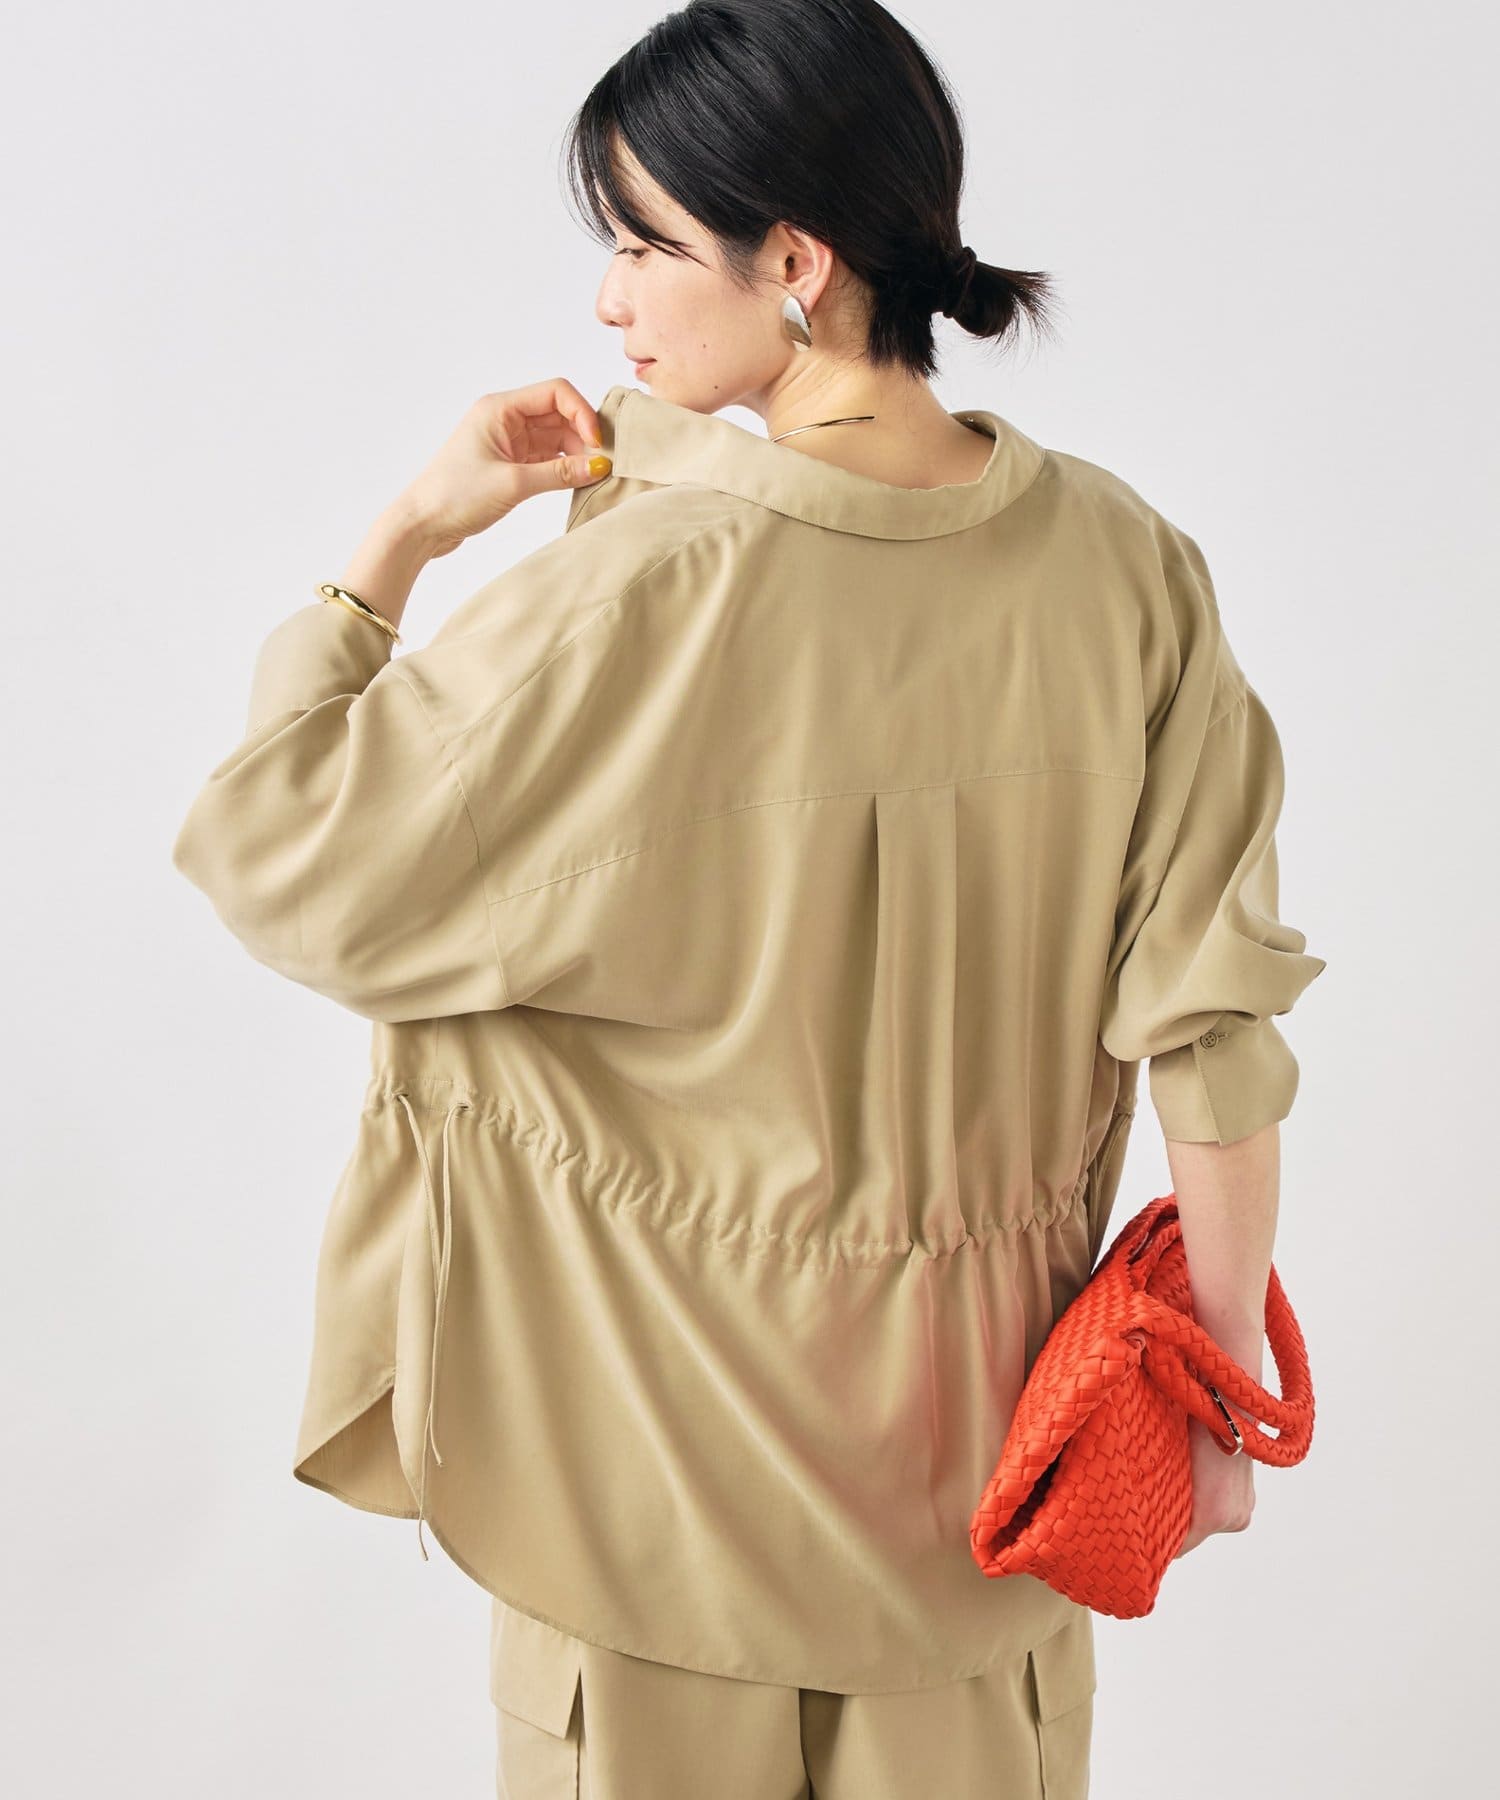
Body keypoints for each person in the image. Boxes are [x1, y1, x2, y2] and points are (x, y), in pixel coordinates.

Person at [170, 1, 1328, 1794]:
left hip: (643, 1496)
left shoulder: (649, 584)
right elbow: (1213, 1022)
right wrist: (1220, 1386)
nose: (609, 299)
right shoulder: (1130, 572)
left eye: (643, 244)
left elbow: (283, 846)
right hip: (982, 1522)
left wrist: (403, 535)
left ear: (795, 261)